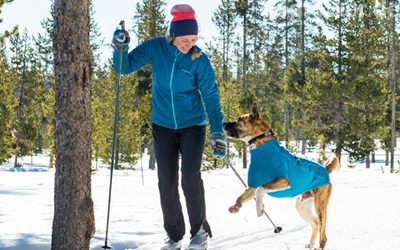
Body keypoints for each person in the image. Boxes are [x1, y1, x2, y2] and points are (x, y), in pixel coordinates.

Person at [112, 4, 227, 250]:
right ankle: (174, 236)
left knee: (190, 177)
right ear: (173, 34)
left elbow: (211, 98)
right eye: (185, 39)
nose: (189, 44)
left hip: (193, 126)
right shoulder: (155, 47)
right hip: (162, 125)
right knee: (166, 181)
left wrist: (217, 131)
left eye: (193, 39)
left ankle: (199, 233)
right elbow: (124, 67)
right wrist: (120, 49)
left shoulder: (199, 59)